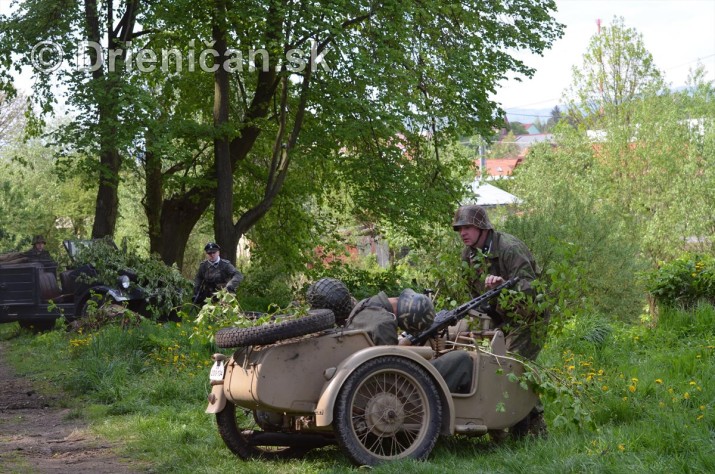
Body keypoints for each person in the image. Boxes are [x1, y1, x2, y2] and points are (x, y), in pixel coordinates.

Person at [452, 204, 548, 436]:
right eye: (459, 228)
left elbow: (532, 290)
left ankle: (534, 429)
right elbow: (475, 295)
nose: (463, 232)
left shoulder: (509, 248)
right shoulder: (469, 255)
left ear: (482, 227)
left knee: (512, 368)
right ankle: (497, 427)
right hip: (498, 316)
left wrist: (503, 284)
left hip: (528, 318)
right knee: (485, 364)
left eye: (467, 227)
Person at [343, 286, 473, 393]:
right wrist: (409, 346)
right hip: (398, 385)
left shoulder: (365, 304)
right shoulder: (384, 323)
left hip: (366, 375)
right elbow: (394, 365)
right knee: (461, 358)